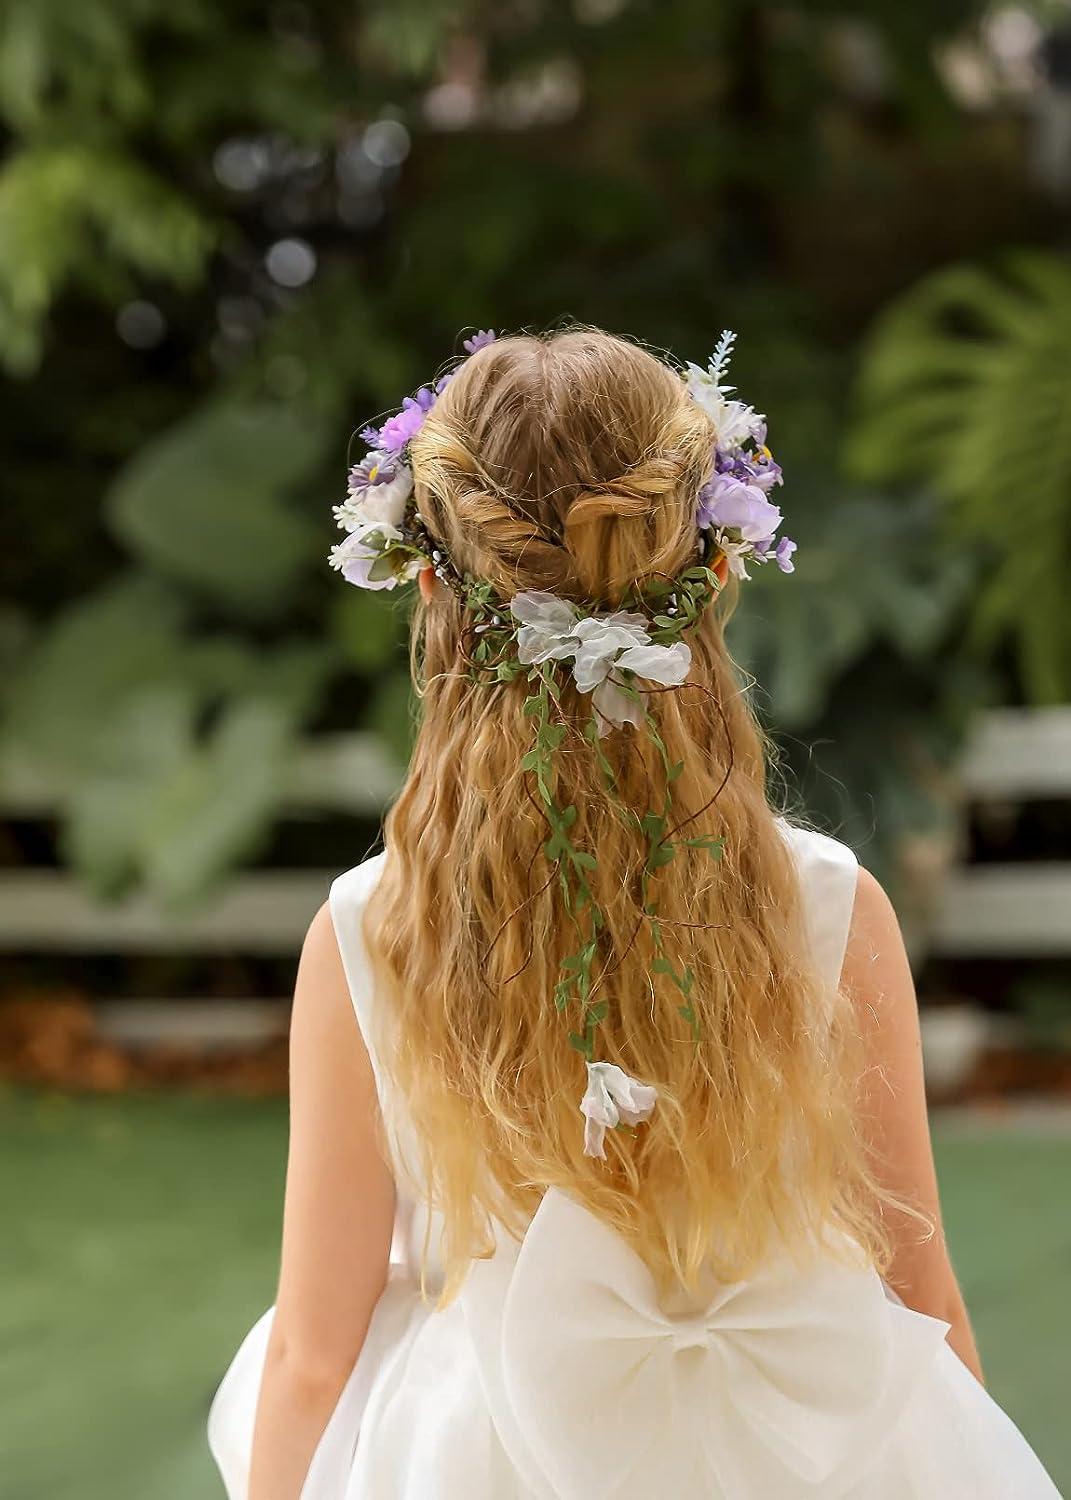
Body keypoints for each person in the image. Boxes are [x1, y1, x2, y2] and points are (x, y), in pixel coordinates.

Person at [209, 327, 1060, 1498]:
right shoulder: (830, 907)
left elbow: (314, 1350)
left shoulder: (371, 930)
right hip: (800, 1450)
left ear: (425, 580)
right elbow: (919, 1292)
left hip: (482, 1455)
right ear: (714, 568)